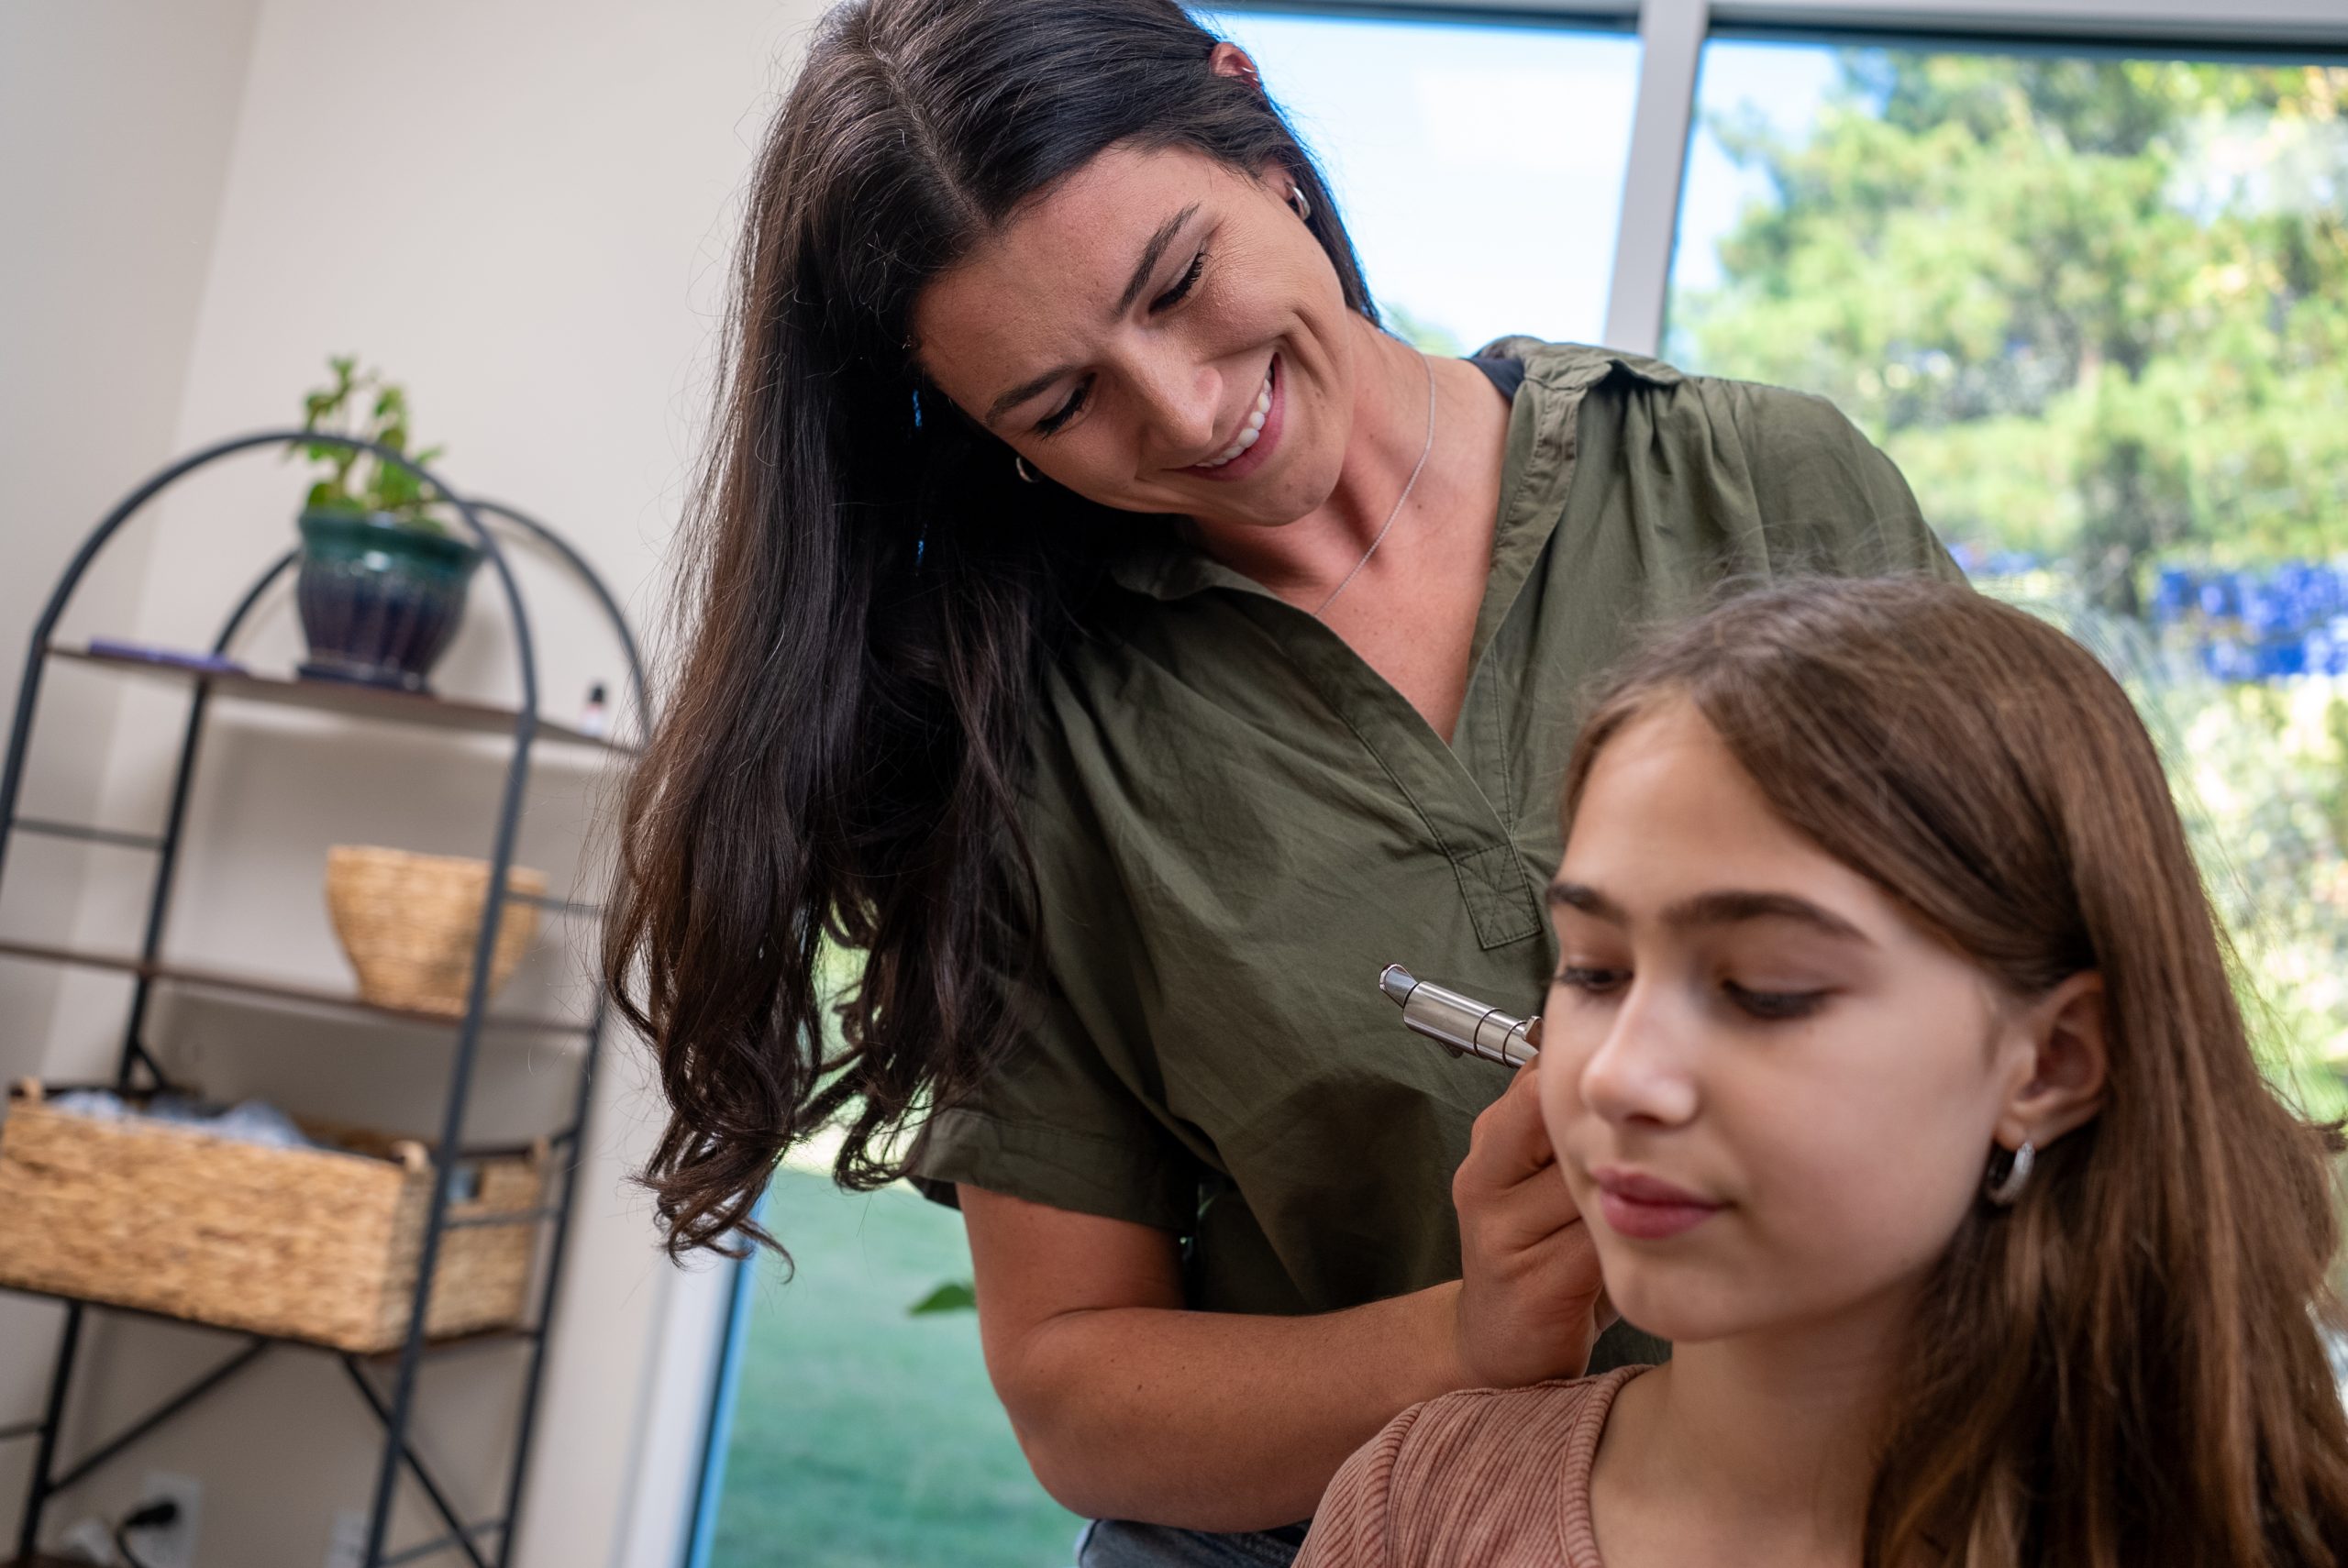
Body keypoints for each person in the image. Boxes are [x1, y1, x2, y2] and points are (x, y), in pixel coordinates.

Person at [602, 1, 1957, 1560]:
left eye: (1178, 282)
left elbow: (2036, 978)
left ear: (1253, 131)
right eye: (1061, 405)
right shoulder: (1031, 742)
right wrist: (1472, 1338)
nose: (1187, 412)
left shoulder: (1765, 490)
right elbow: (1076, 1396)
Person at [1295, 577, 2348, 1568]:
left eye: (1765, 989)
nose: (1615, 1078)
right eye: (1595, 971)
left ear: (2051, 1062)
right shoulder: (1413, 1508)